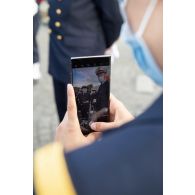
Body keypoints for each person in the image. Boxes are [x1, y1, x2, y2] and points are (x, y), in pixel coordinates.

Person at [34, 0, 163, 194]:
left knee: (90, 123)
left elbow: (111, 19)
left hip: (86, 62)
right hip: (60, 57)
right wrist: (132, 130)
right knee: (66, 111)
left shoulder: (58, 179)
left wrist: (75, 160)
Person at [48, 0, 123, 122]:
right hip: (58, 55)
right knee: (64, 117)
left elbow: (114, 19)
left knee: (89, 123)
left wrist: (102, 46)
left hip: (86, 61)